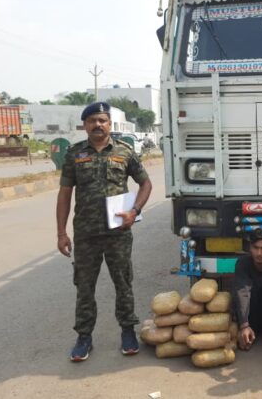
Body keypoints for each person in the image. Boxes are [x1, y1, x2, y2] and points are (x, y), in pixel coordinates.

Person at [56, 102, 153, 362]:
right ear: (85, 125)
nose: (98, 125)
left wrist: (134, 211)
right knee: (84, 286)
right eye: (92, 121)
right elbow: (64, 194)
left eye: (102, 120)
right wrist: (61, 233)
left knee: (123, 282)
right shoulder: (75, 154)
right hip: (86, 234)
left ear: (109, 124)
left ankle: (128, 331)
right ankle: (84, 337)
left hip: (118, 232)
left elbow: (145, 184)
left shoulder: (124, 152)